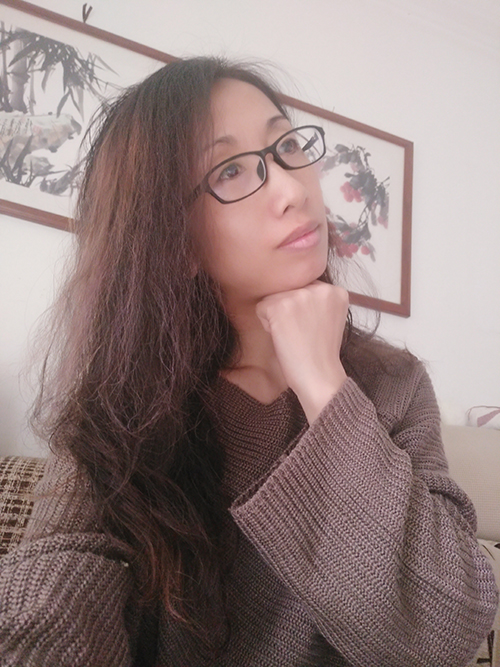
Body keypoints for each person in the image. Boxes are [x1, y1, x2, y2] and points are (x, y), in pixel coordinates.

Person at [0, 57, 497, 667]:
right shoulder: (121, 414)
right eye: (230, 170)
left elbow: (443, 633)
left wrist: (325, 387)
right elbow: (54, 599)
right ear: (175, 242)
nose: (292, 189)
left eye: (286, 146)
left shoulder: (394, 383)